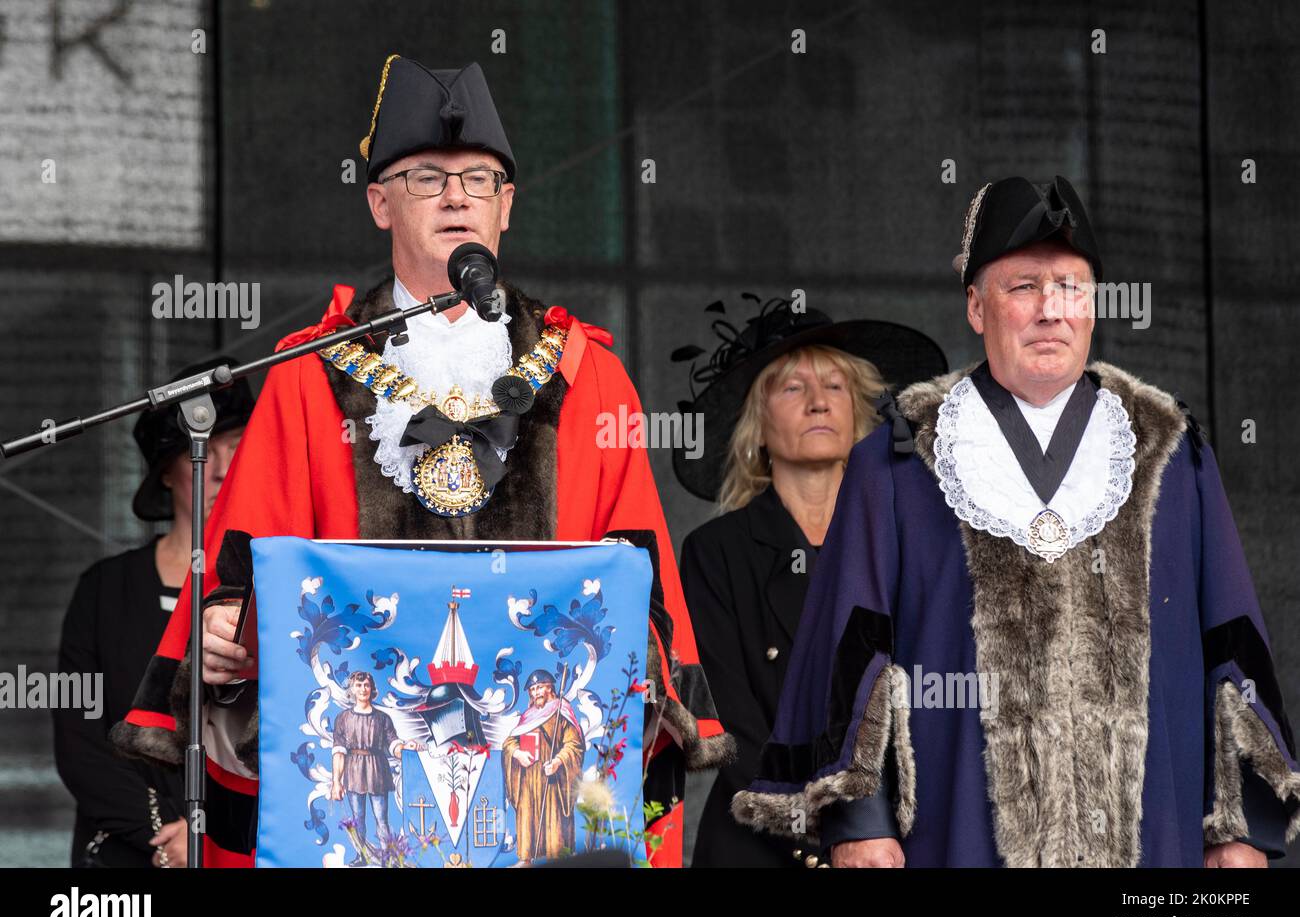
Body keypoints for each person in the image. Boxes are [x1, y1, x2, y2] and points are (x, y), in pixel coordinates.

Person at [111, 56, 730, 867]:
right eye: (426, 176)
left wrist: (637, 647)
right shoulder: (310, 374)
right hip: (358, 801)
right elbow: (241, 573)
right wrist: (226, 634)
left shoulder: (585, 373)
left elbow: (640, 570)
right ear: (379, 202)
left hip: (542, 795)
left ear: (506, 206)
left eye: (480, 178)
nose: (456, 195)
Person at [732, 176, 1299, 867]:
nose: (1050, 310)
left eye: (1070, 287)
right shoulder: (896, 462)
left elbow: (1230, 643)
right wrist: (861, 821)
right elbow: (853, 653)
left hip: (1152, 846)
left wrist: (1237, 828)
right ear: (975, 305)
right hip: (953, 836)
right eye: (1024, 286)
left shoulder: (1170, 452)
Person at [671, 297, 946, 866]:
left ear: (859, 415)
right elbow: (731, 727)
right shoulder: (714, 554)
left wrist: (880, 829)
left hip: (897, 847)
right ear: (757, 426)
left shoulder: (913, 542)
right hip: (761, 848)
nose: (819, 401)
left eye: (836, 387)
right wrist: (835, 830)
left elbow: (937, 701)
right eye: (793, 388)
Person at [54, 358, 251, 868]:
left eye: (239, 447)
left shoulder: (269, 584)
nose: (225, 466)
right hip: (129, 852)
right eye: (206, 449)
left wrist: (211, 832)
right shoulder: (104, 589)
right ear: (167, 470)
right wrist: (166, 831)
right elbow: (78, 738)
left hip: (241, 844)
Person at [329, 671, 421, 866]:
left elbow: (393, 743)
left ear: (372, 689)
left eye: (367, 685)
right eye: (359, 685)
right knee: (358, 818)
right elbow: (338, 752)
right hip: (354, 771)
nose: (363, 689)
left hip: (377, 770)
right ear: (352, 689)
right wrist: (336, 782)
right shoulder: (343, 718)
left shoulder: (383, 718)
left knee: (382, 819)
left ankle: (389, 858)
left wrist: (404, 747)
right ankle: (361, 856)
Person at [501, 670, 584, 863]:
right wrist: (518, 753)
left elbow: (573, 744)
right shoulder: (528, 716)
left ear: (550, 688)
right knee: (526, 815)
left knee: (554, 819)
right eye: (533, 689)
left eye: (539, 688)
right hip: (528, 779)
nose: (536, 693)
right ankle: (525, 859)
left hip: (553, 778)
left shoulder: (561, 711)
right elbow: (509, 742)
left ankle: (557, 860)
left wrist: (557, 762)